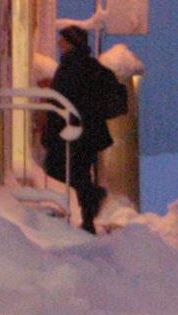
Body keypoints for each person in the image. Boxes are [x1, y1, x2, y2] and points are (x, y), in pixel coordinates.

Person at [43, 25, 127, 234]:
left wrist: (50, 132)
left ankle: (91, 204)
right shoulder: (91, 66)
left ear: (71, 43)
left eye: (62, 40)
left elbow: (60, 102)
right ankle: (88, 215)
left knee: (65, 172)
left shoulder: (72, 66)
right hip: (87, 132)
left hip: (72, 132)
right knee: (78, 174)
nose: (59, 44)